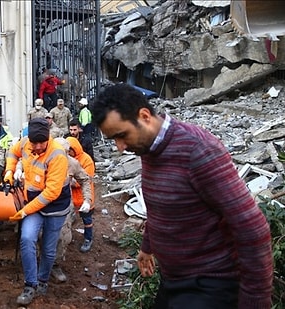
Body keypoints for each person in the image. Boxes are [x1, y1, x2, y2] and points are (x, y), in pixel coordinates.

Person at [91, 83, 273, 308]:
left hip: (211, 284)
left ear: (144, 116)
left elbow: (252, 228)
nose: (120, 147)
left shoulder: (198, 151)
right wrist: (147, 247)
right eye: (114, 140)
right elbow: (162, 207)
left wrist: (255, 302)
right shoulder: (149, 147)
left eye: (122, 135)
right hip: (175, 280)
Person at [3, 118, 70, 305]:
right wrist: (9, 171)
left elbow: (51, 193)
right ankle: (30, 284)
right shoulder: (25, 143)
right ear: (29, 139)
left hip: (55, 206)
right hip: (32, 202)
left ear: (48, 138)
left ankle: (43, 280)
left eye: (43, 142)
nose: (39, 146)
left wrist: (24, 211)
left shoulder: (57, 155)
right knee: (27, 238)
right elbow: (12, 152)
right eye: (35, 143)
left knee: (48, 250)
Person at [51, 137, 93, 283]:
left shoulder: (72, 163)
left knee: (63, 237)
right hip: (43, 204)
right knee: (41, 235)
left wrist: (87, 200)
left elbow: (85, 179)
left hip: (64, 205)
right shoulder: (44, 159)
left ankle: (55, 264)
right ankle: (42, 262)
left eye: (65, 152)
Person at [66, 136, 95, 253]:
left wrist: (70, 181)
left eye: (70, 151)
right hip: (71, 196)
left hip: (84, 195)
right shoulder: (67, 159)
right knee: (69, 218)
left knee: (87, 218)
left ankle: (88, 238)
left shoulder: (86, 160)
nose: (68, 153)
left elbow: (87, 178)